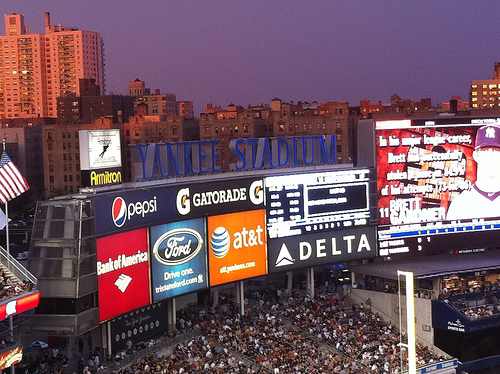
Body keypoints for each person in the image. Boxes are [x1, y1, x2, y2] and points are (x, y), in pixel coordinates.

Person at [447, 124, 500, 220]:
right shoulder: (460, 204)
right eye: (485, 150)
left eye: (496, 150)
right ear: (476, 155)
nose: (491, 156)